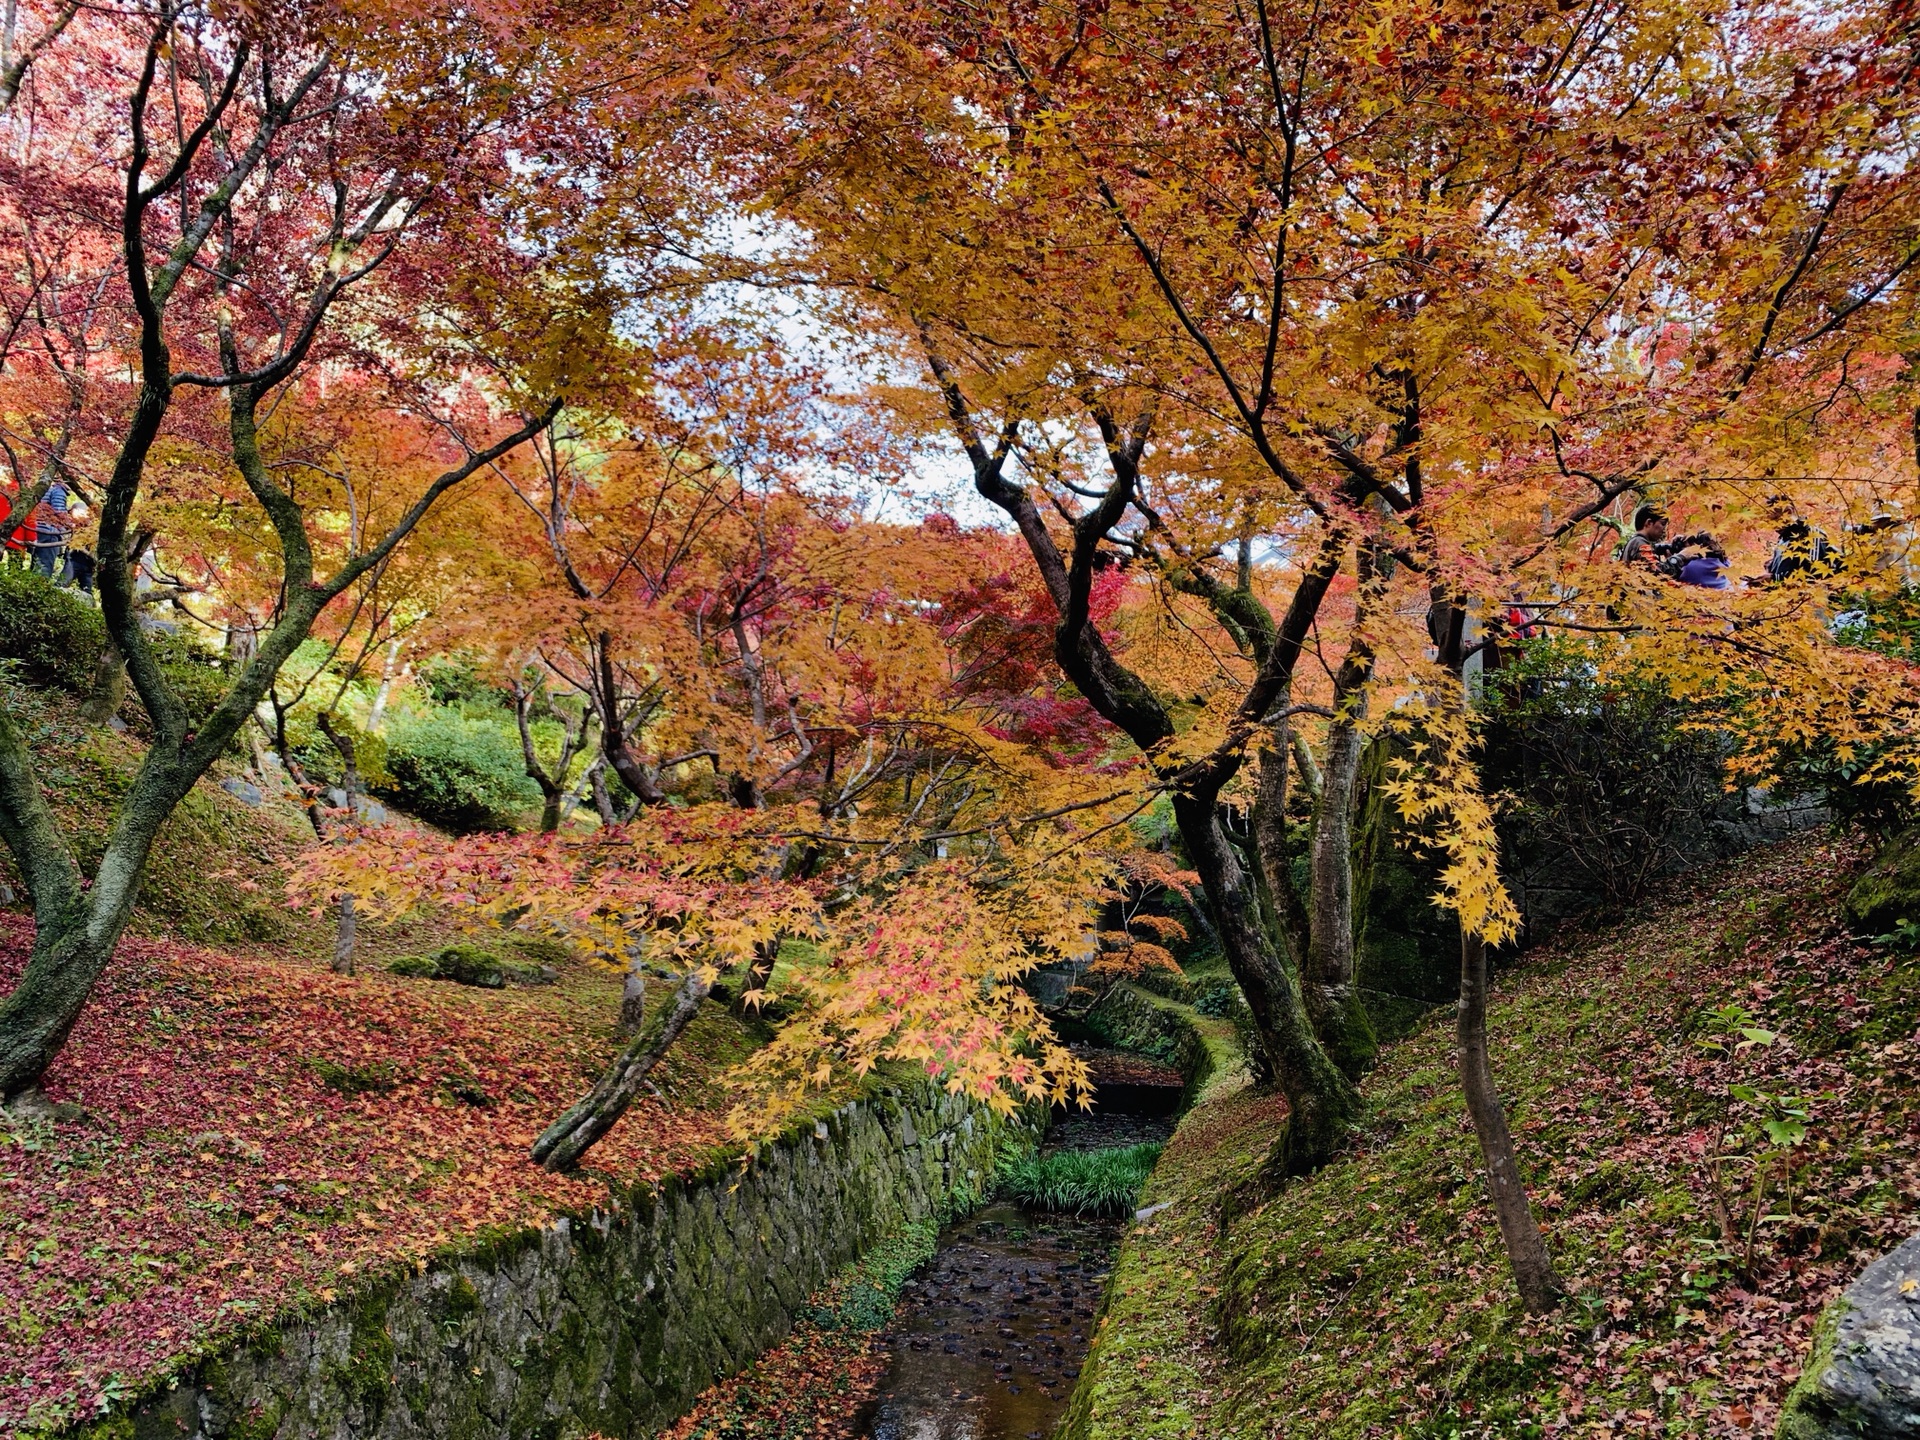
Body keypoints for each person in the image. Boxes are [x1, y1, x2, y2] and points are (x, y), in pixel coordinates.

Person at [29, 478, 72, 579]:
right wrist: (70, 525)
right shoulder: (58, 491)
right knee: (44, 566)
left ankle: (29, 589)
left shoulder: (44, 489)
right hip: (50, 532)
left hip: (37, 530)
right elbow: (59, 512)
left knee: (36, 563)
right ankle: (39, 590)